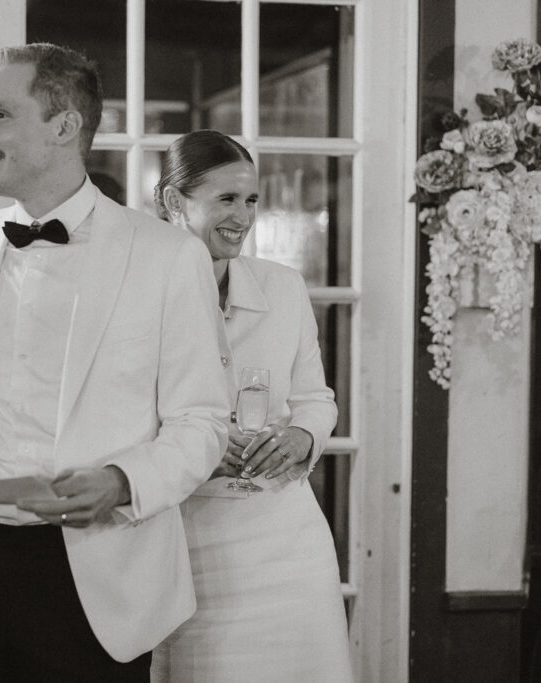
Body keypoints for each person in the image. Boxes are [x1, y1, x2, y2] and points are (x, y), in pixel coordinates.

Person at [0, 45, 230, 681]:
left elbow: (203, 422)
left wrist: (122, 482)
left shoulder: (166, 257)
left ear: (64, 127)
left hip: (95, 574)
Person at [150, 130, 354, 682]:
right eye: (226, 199)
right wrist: (195, 450)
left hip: (288, 539)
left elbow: (317, 398)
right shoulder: (138, 295)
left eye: (251, 200)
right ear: (174, 201)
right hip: (186, 537)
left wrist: (303, 438)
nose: (243, 216)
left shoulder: (283, 288)